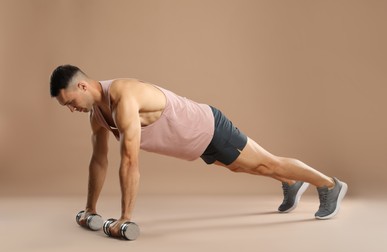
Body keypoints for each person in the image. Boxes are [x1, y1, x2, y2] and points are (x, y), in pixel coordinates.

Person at [50, 65, 348, 238]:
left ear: (83, 85)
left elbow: (129, 159)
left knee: (266, 164)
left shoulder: (124, 97)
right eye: (66, 106)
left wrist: (125, 218)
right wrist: (91, 209)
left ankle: (330, 185)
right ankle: (292, 183)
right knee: (245, 167)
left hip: (208, 127)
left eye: (70, 101)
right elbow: (98, 162)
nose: (71, 108)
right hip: (194, 143)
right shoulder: (97, 116)